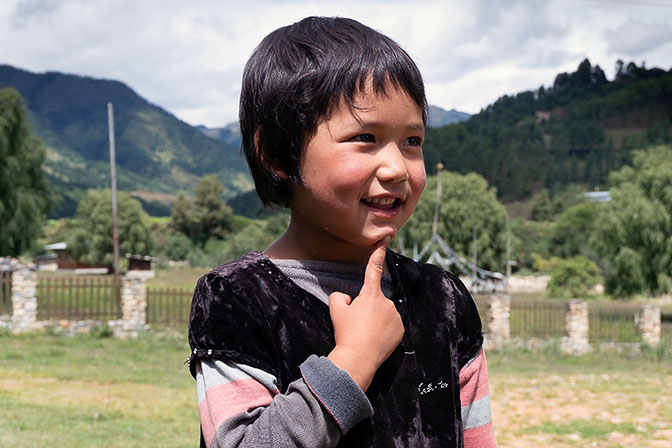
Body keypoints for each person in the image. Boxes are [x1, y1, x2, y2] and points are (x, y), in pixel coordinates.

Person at [187, 16, 496, 448]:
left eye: (412, 141)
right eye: (365, 137)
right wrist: (353, 361)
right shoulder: (237, 300)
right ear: (278, 154)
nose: (396, 168)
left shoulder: (443, 300)